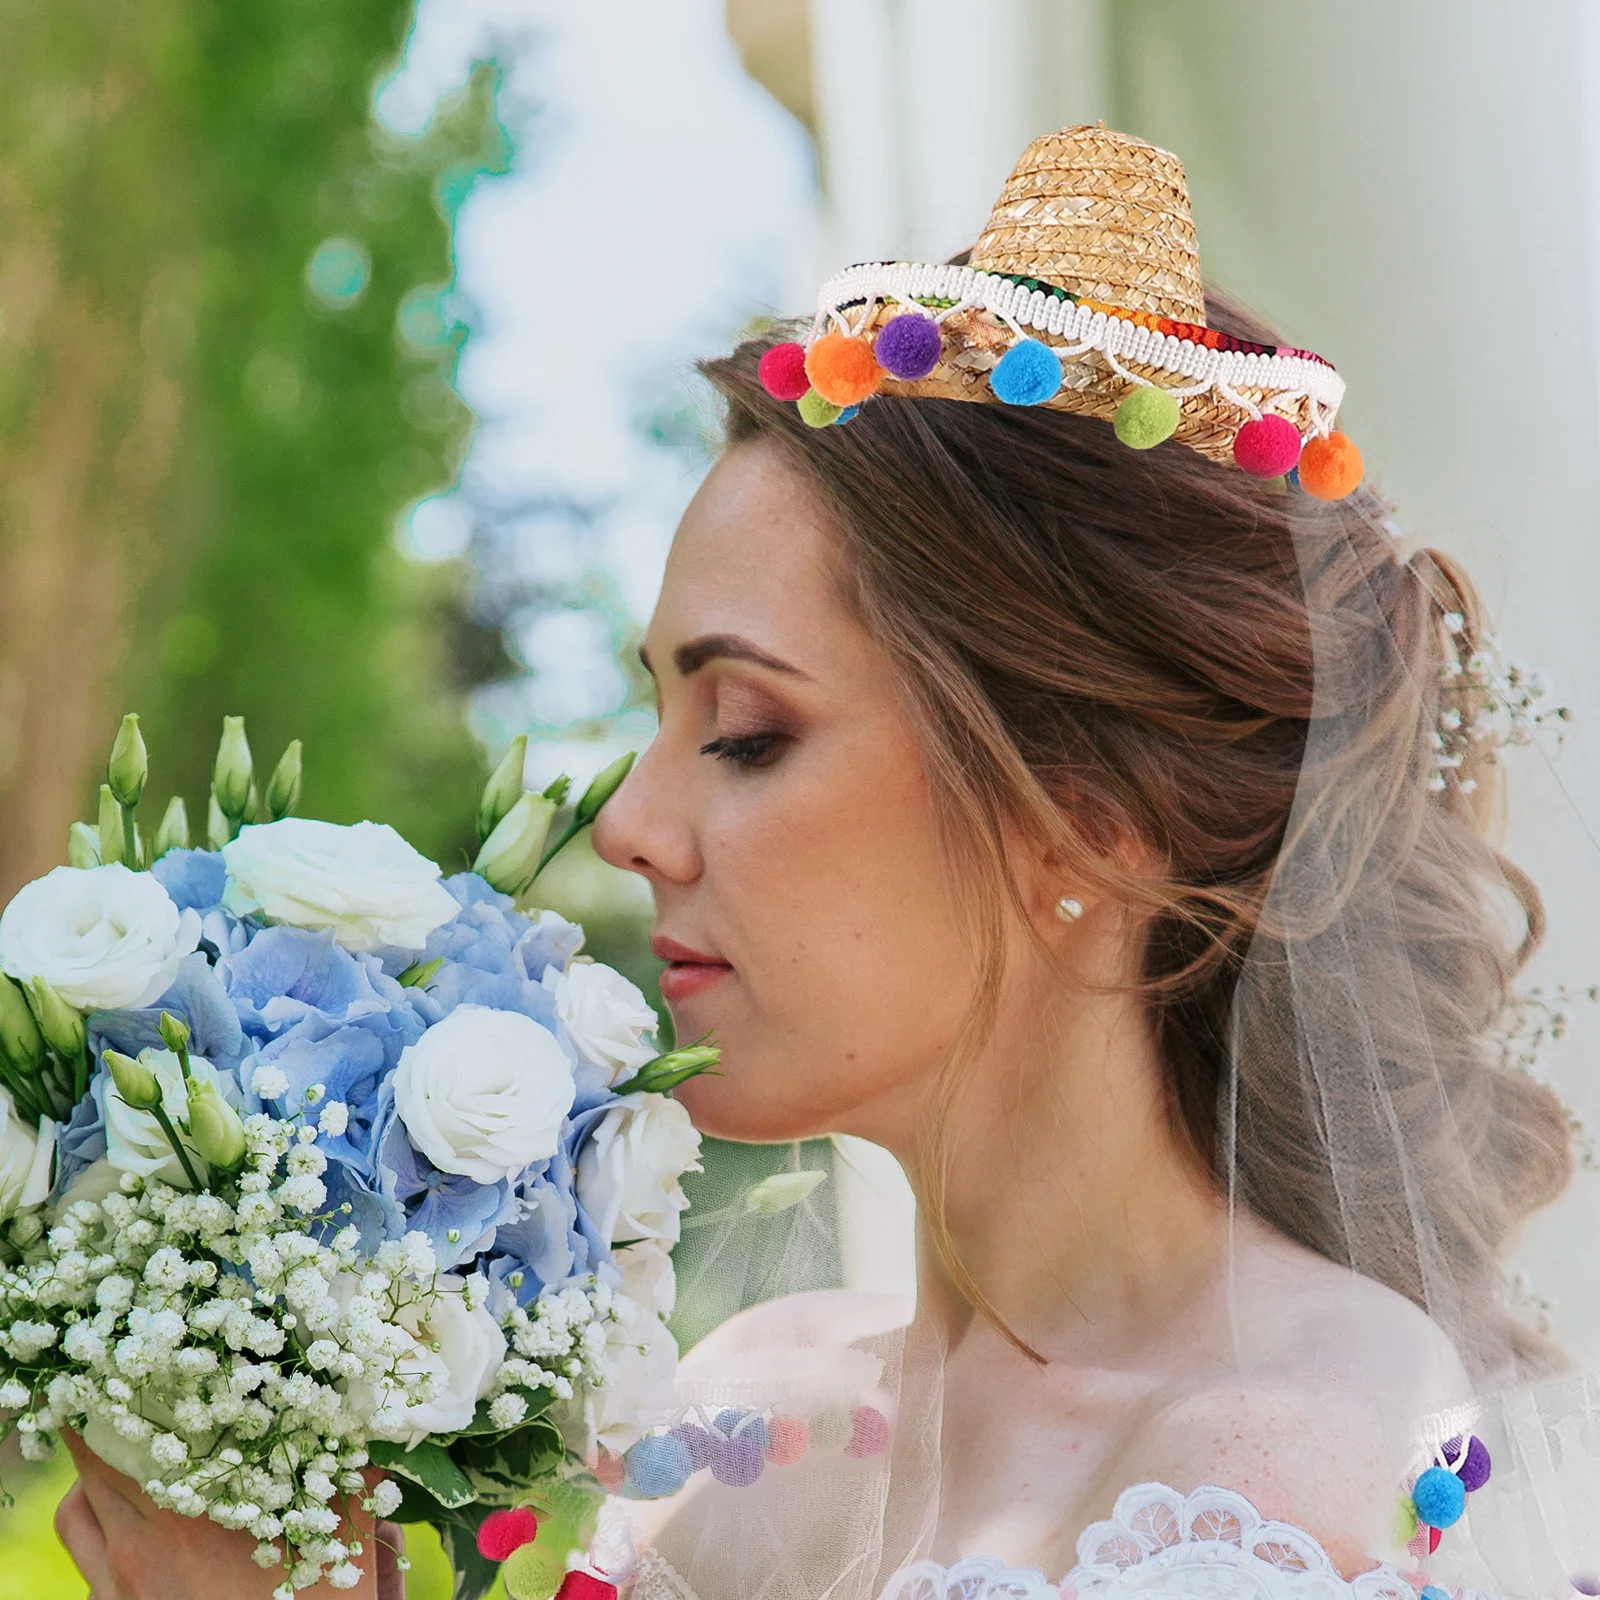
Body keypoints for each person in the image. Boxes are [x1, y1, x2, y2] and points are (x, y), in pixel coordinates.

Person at [586, 128, 1595, 1597]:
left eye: (743, 730)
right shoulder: (758, 1414)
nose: (628, 822)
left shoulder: (1286, 1469)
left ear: (1088, 824)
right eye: (656, 714)